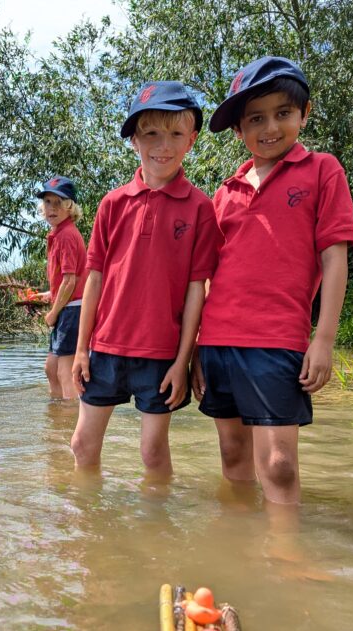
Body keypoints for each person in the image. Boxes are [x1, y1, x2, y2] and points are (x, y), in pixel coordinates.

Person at [192, 56, 353, 504]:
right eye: (255, 118)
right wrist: (196, 352)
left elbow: (334, 258)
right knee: (231, 452)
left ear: (304, 114)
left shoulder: (323, 171)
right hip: (218, 342)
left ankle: (287, 561)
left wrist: (323, 340)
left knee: (280, 465)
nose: (270, 127)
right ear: (239, 130)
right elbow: (208, 277)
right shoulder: (224, 192)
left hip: (277, 339)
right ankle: (241, 551)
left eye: (282, 113)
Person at [70, 82, 221, 479]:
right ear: (135, 140)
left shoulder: (201, 208)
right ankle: (86, 533)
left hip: (160, 355)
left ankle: (157, 536)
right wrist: (82, 348)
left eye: (175, 134)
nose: (163, 145)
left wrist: (183, 361)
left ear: (191, 139)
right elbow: (94, 278)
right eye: (151, 133)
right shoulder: (112, 204)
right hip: (104, 347)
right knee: (82, 444)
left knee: (153, 453)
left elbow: (196, 291)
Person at [36, 176, 88, 399]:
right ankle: (56, 418)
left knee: (65, 372)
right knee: (51, 369)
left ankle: (70, 424)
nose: (52, 208)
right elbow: (66, 280)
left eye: (59, 203)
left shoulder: (66, 235)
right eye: (48, 202)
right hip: (69, 306)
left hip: (72, 310)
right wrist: (50, 294)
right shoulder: (59, 233)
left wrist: (53, 313)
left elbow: (70, 281)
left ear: (70, 207)